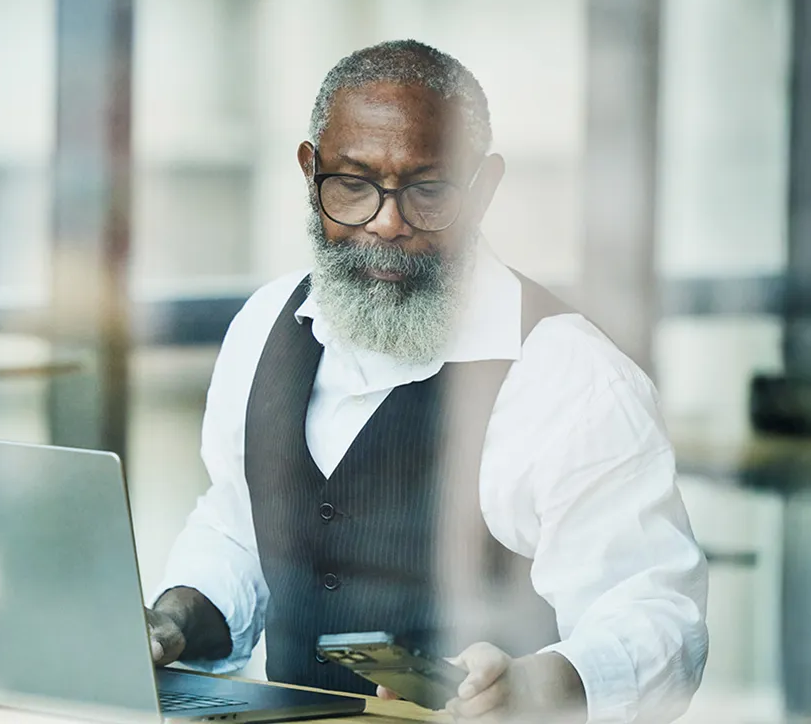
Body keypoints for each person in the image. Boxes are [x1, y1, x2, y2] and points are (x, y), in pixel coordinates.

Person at [140, 40, 707, 723]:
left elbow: (658, 620)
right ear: (308, 171)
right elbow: (237, 529)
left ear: (483, 188)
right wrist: (173, 622)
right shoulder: (265, 324)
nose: (386, 221)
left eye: (427, 191)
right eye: (351, 185)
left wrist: (533, 687)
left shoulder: (571, 378)